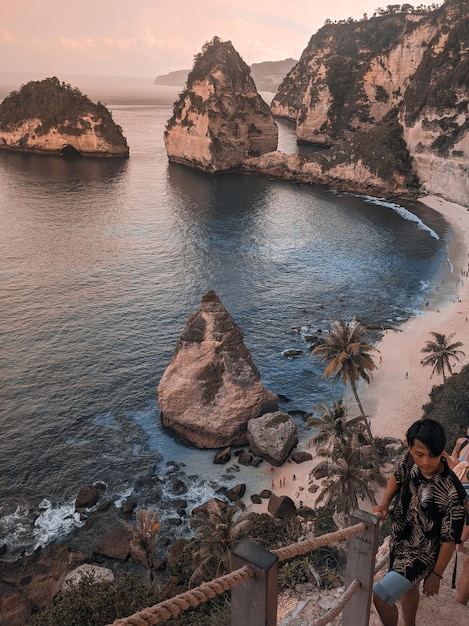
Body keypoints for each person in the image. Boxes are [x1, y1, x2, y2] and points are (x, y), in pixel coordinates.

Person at [373, 418, 466, 626]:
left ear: (441, 450)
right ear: (410, 447)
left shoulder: (453, 491)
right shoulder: (409, 460)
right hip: (400, 542)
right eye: (419, 454)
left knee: (380, 596)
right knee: (410, 587)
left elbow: (450, 539)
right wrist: (384, 503)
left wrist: (436, 575)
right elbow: (396, 478)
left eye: (433, 455)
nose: (425, 461)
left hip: (423, 555)